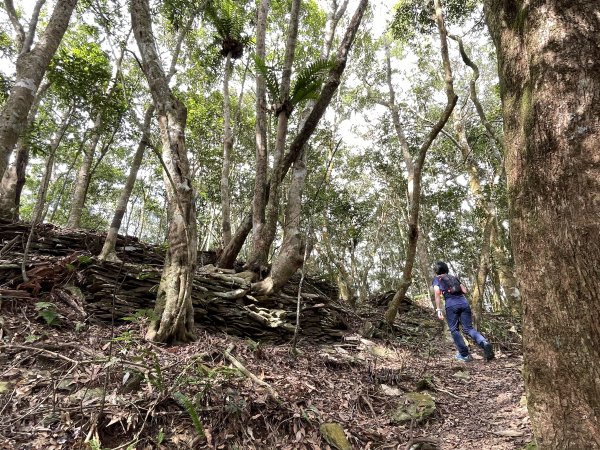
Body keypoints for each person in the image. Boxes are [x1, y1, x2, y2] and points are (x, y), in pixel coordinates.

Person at [432, 261, 495, 362]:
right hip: (464, 303)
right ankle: (485, 343)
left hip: (451, 305)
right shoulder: (453, 277)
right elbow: (464, 291)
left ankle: (464, 355)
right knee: (468, 328)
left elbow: (437, 294)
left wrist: (438, 309)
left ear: (436, 271)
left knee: (454, 330)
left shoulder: (437, 279)